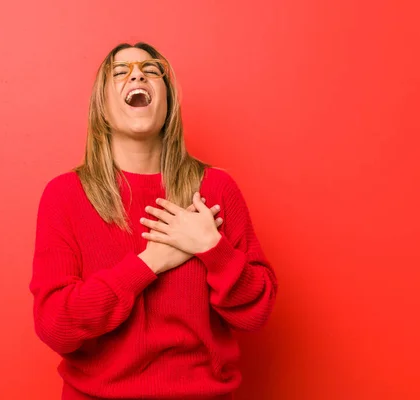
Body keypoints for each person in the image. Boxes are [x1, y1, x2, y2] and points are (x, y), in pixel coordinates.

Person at [29, 42, 278, 400]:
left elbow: (256, 314)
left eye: (151, 69)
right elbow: (56, 326)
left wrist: (213, 249)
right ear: (101, 107)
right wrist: (150, 263)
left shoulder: (215, 189)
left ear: (168, 100)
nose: (136, 74)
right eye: (120, 72)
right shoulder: (65, 195)